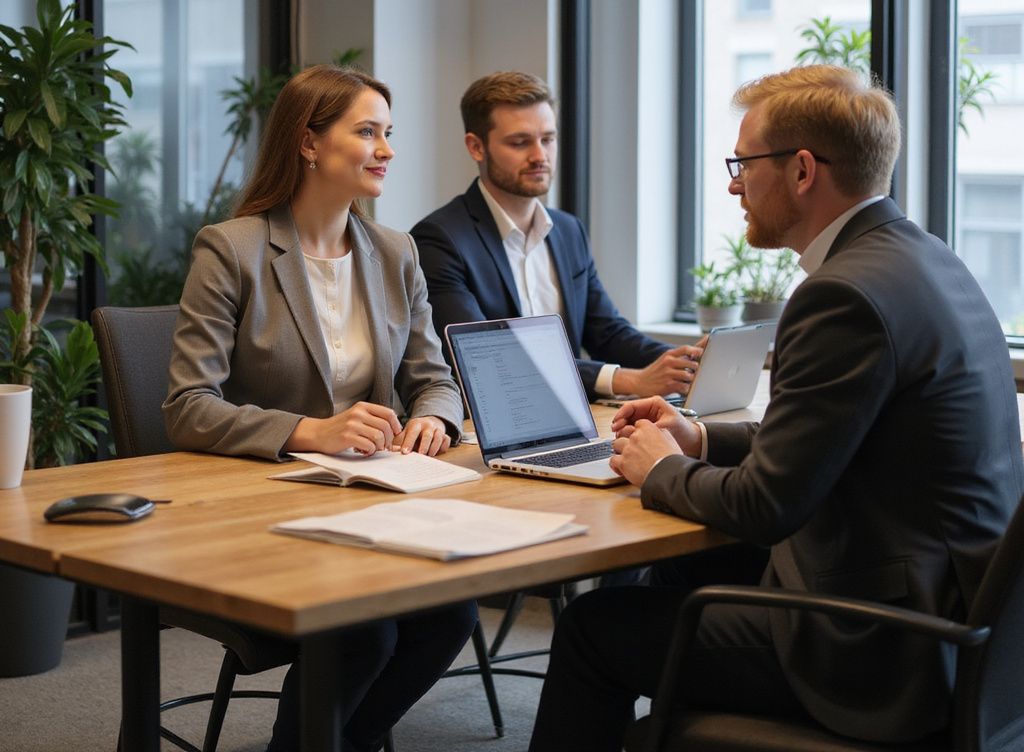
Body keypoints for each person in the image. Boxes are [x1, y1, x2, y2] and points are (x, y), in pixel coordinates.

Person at [528, 64, 1024, 751]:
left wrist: (660, 469)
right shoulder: (925, 259)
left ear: (801, 171)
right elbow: (835, 437)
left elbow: (768, 507)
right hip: (957, 621)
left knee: (593, 629)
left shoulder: (841, 296)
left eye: (742, 163)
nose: (733, 184)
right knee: (678, 574)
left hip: (880, 645)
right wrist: (700, 442)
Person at [163, 65, 476, 752]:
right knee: (365, 630)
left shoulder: (395, 253)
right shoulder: (233, 249)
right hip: (261, 512)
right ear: (308, 143)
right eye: (367, 131)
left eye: (388, 132)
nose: (388, 150)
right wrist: (309, 430)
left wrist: (435, 417)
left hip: (373, 501)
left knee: (451, 612)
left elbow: (435, 376)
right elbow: (187, 406)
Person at [411, 71, 701, 401]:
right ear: (476, 147)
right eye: (520, 142)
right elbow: (489, 357)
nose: (540, 156)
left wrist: (686, 361)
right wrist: (627, 380)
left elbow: (607, 333)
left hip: (578, 419)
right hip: (490, 428)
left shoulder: (568, 230)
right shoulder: (439, 239)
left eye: (548, 139)